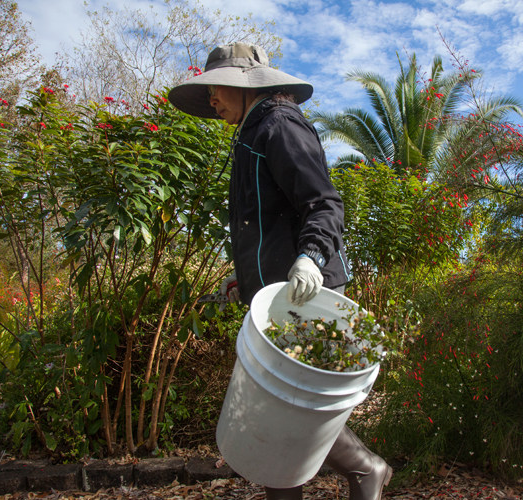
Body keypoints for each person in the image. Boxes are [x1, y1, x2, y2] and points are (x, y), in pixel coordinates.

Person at [168, 43, 393, 500]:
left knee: (285, 411)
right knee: (281, 409)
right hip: (277, 289)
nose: (212, 98)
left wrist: (311, 256)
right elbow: (266, 226)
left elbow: (323, 203)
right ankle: (365, 470)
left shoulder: (280, 125)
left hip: (308, 290)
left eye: (217, 87)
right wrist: (244, 281)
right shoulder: (252, 133)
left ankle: (367, 469)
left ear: (244, 84)